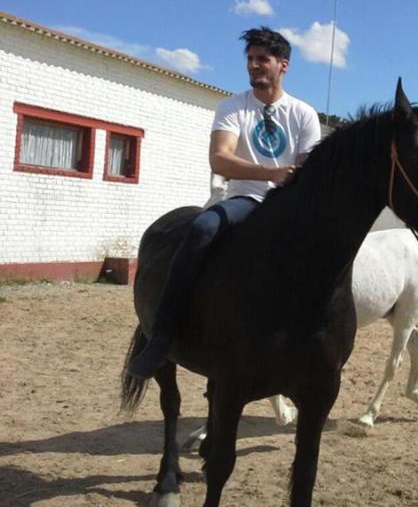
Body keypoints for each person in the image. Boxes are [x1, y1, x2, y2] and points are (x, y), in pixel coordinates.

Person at [128, 27, 321, 379]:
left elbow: (309, 169)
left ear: (283, 65)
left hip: (289, 209)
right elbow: (219, 159)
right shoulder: (233, 107)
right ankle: (162, 336)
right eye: (250, 60)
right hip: (245, 199)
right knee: (202, 226)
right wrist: (271, 172)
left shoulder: (303, 114)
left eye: (263, 59)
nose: (254, 66)